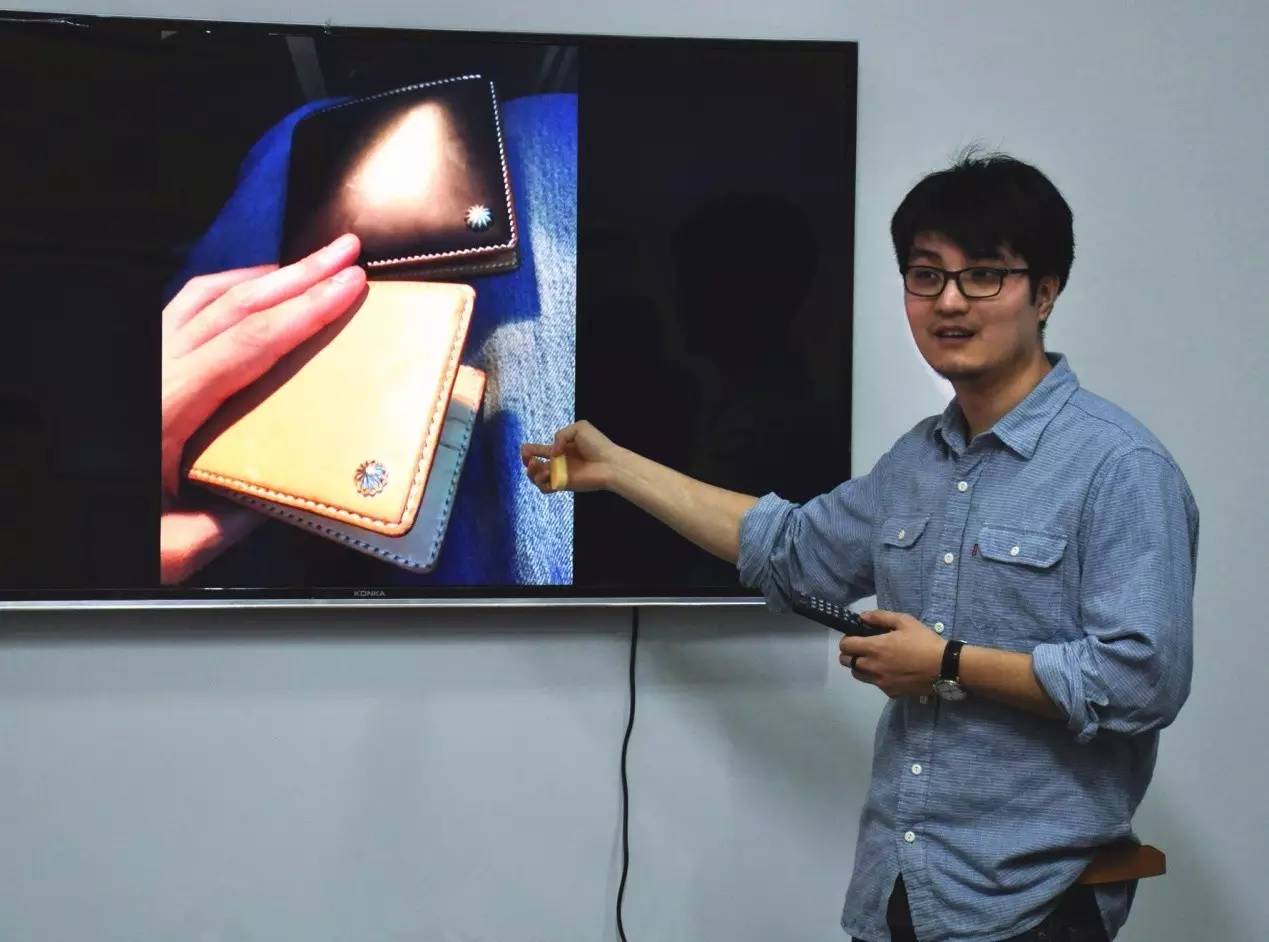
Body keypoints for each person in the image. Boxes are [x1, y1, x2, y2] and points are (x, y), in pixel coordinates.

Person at [521, 151, 1198, 941]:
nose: (948, 301)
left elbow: (1141, 681)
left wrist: (946, 663)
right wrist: (617, 469)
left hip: (1033, 904)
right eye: (925, 275)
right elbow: (789, 549)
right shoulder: (916, 461)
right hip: (900, 891)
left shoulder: (1119, 466)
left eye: (983, 275)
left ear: (1044, 292)